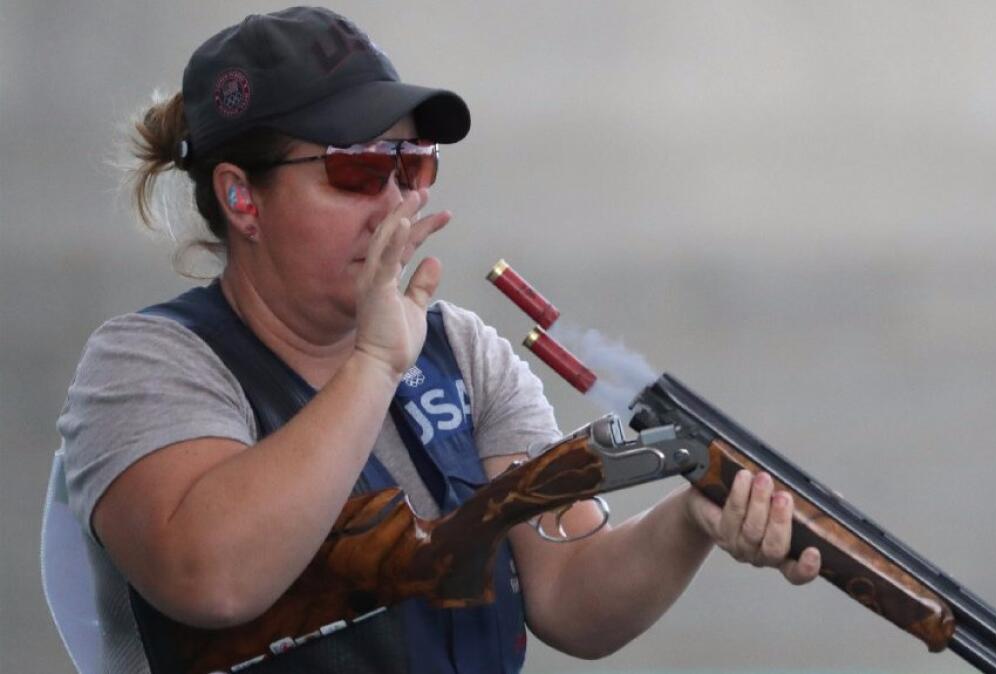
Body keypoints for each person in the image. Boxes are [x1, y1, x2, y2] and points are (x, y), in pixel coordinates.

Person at [55, 7, 821, 673]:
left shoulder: (461, 350)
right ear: (240, 198)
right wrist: (376, 363)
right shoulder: (147, 363)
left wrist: (693, 519)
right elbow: (212, 576)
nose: (396, 201)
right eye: (357, 169)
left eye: (412, 165)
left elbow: (569, 593)